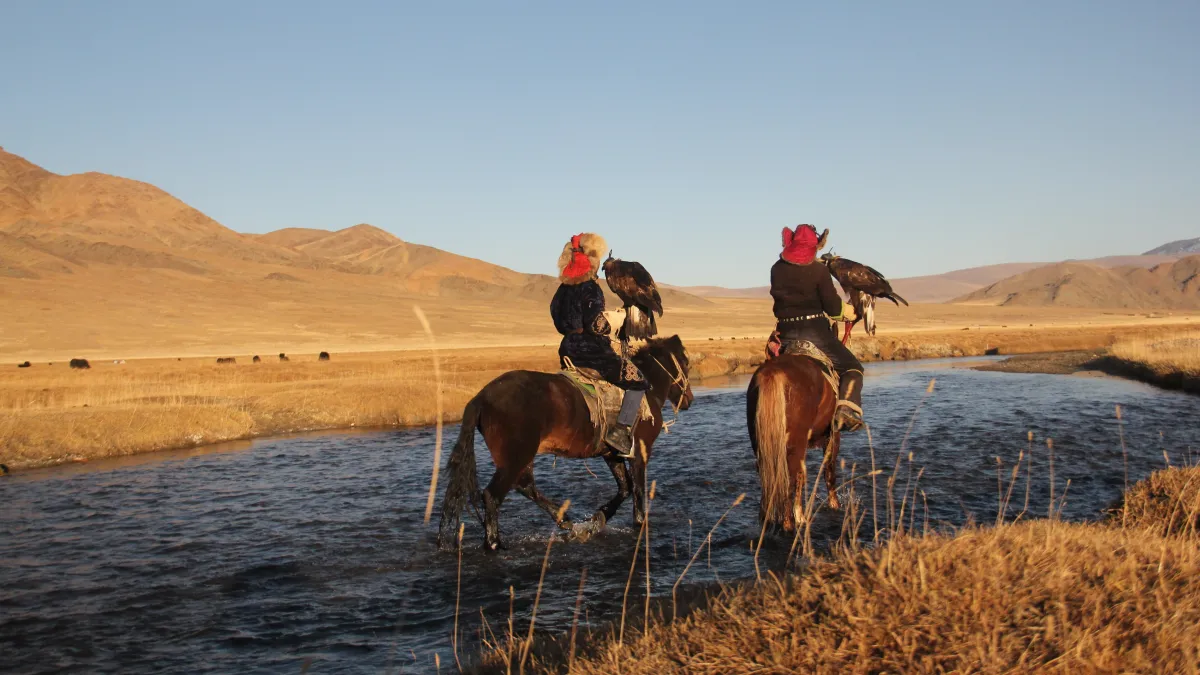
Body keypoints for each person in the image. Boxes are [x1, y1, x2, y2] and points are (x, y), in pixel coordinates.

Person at [550, 233, 648, 458]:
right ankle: (621, 433)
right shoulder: (591, 289)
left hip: (567, 349)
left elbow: (557, 319)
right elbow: (596, 326)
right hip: (593, 351)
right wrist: (616, 320)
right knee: (638, 382)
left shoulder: (561, 291)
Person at [769, 224, 865, 431]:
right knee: (853, 368)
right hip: (815, 333)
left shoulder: (776, 268)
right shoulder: (819, 270)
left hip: (784, 334)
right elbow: (832, 308)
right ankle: (846, 411)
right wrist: (850, 313)